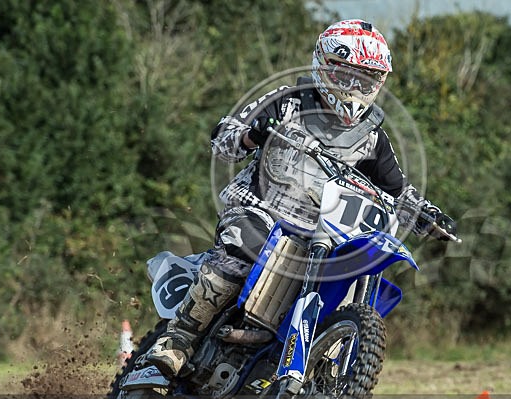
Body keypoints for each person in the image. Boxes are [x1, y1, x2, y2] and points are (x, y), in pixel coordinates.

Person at [148, 19, 456, 379]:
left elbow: (397, 192)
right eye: (348, 76)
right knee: (244, 249)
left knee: (353, 270)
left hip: (323, 232)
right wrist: (251, 135)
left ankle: (332, 393)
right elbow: (224, 140)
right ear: (324, 67)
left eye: (368, 79)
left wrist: (425, 214)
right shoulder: (288, 103)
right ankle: (177, 341)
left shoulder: (373, 137)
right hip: (260, 210)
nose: (357, 88)